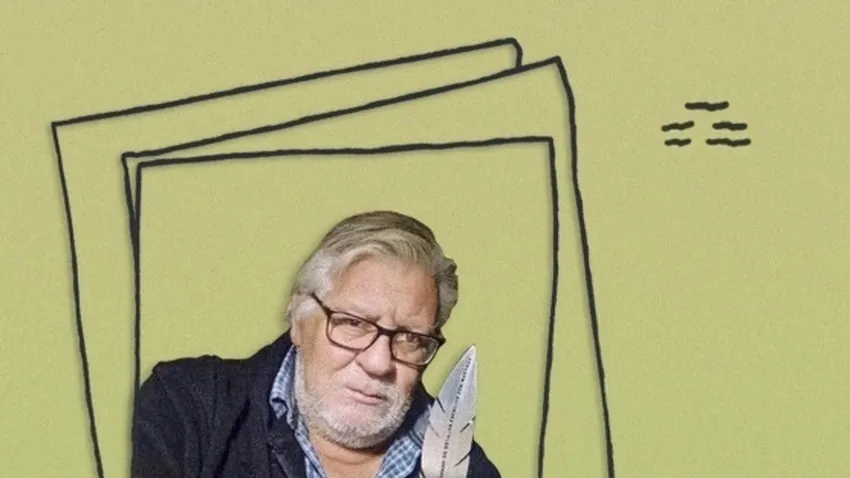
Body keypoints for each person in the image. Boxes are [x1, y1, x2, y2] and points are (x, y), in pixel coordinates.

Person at [131, 210, 501, 477]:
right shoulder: (190, 408)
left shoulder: (469, 469)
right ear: (298, 318)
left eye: (410, 338)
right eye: (353, 323)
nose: (378, 363)